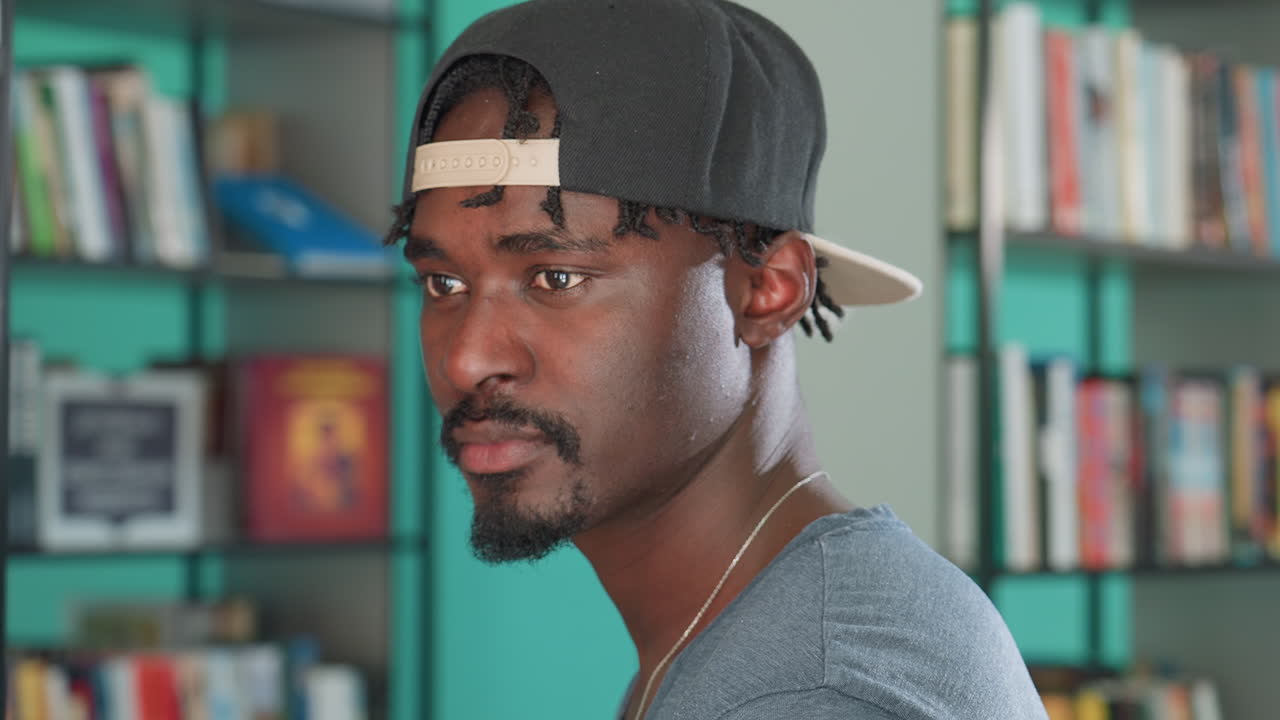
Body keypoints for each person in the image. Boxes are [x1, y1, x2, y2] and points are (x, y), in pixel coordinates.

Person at [385, 1, 1048, 718]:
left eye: (556, 277)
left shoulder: (816, 695)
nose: (468, 359)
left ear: (767, 291)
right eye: (443, 283)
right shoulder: (764, 633)